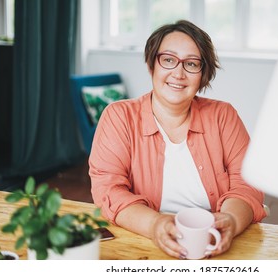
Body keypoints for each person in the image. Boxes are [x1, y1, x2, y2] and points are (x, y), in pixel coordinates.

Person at [89, 20, 267, 259]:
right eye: (169, 60)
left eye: (192, 64)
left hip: (215, 243)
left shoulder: (223, 116)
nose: (179, 73)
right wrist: (156, 225)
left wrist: (232, 221)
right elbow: (108, 190)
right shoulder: (119, 117)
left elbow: (247, 183)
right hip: (144, 241)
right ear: (152, 64)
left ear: (203, 75)